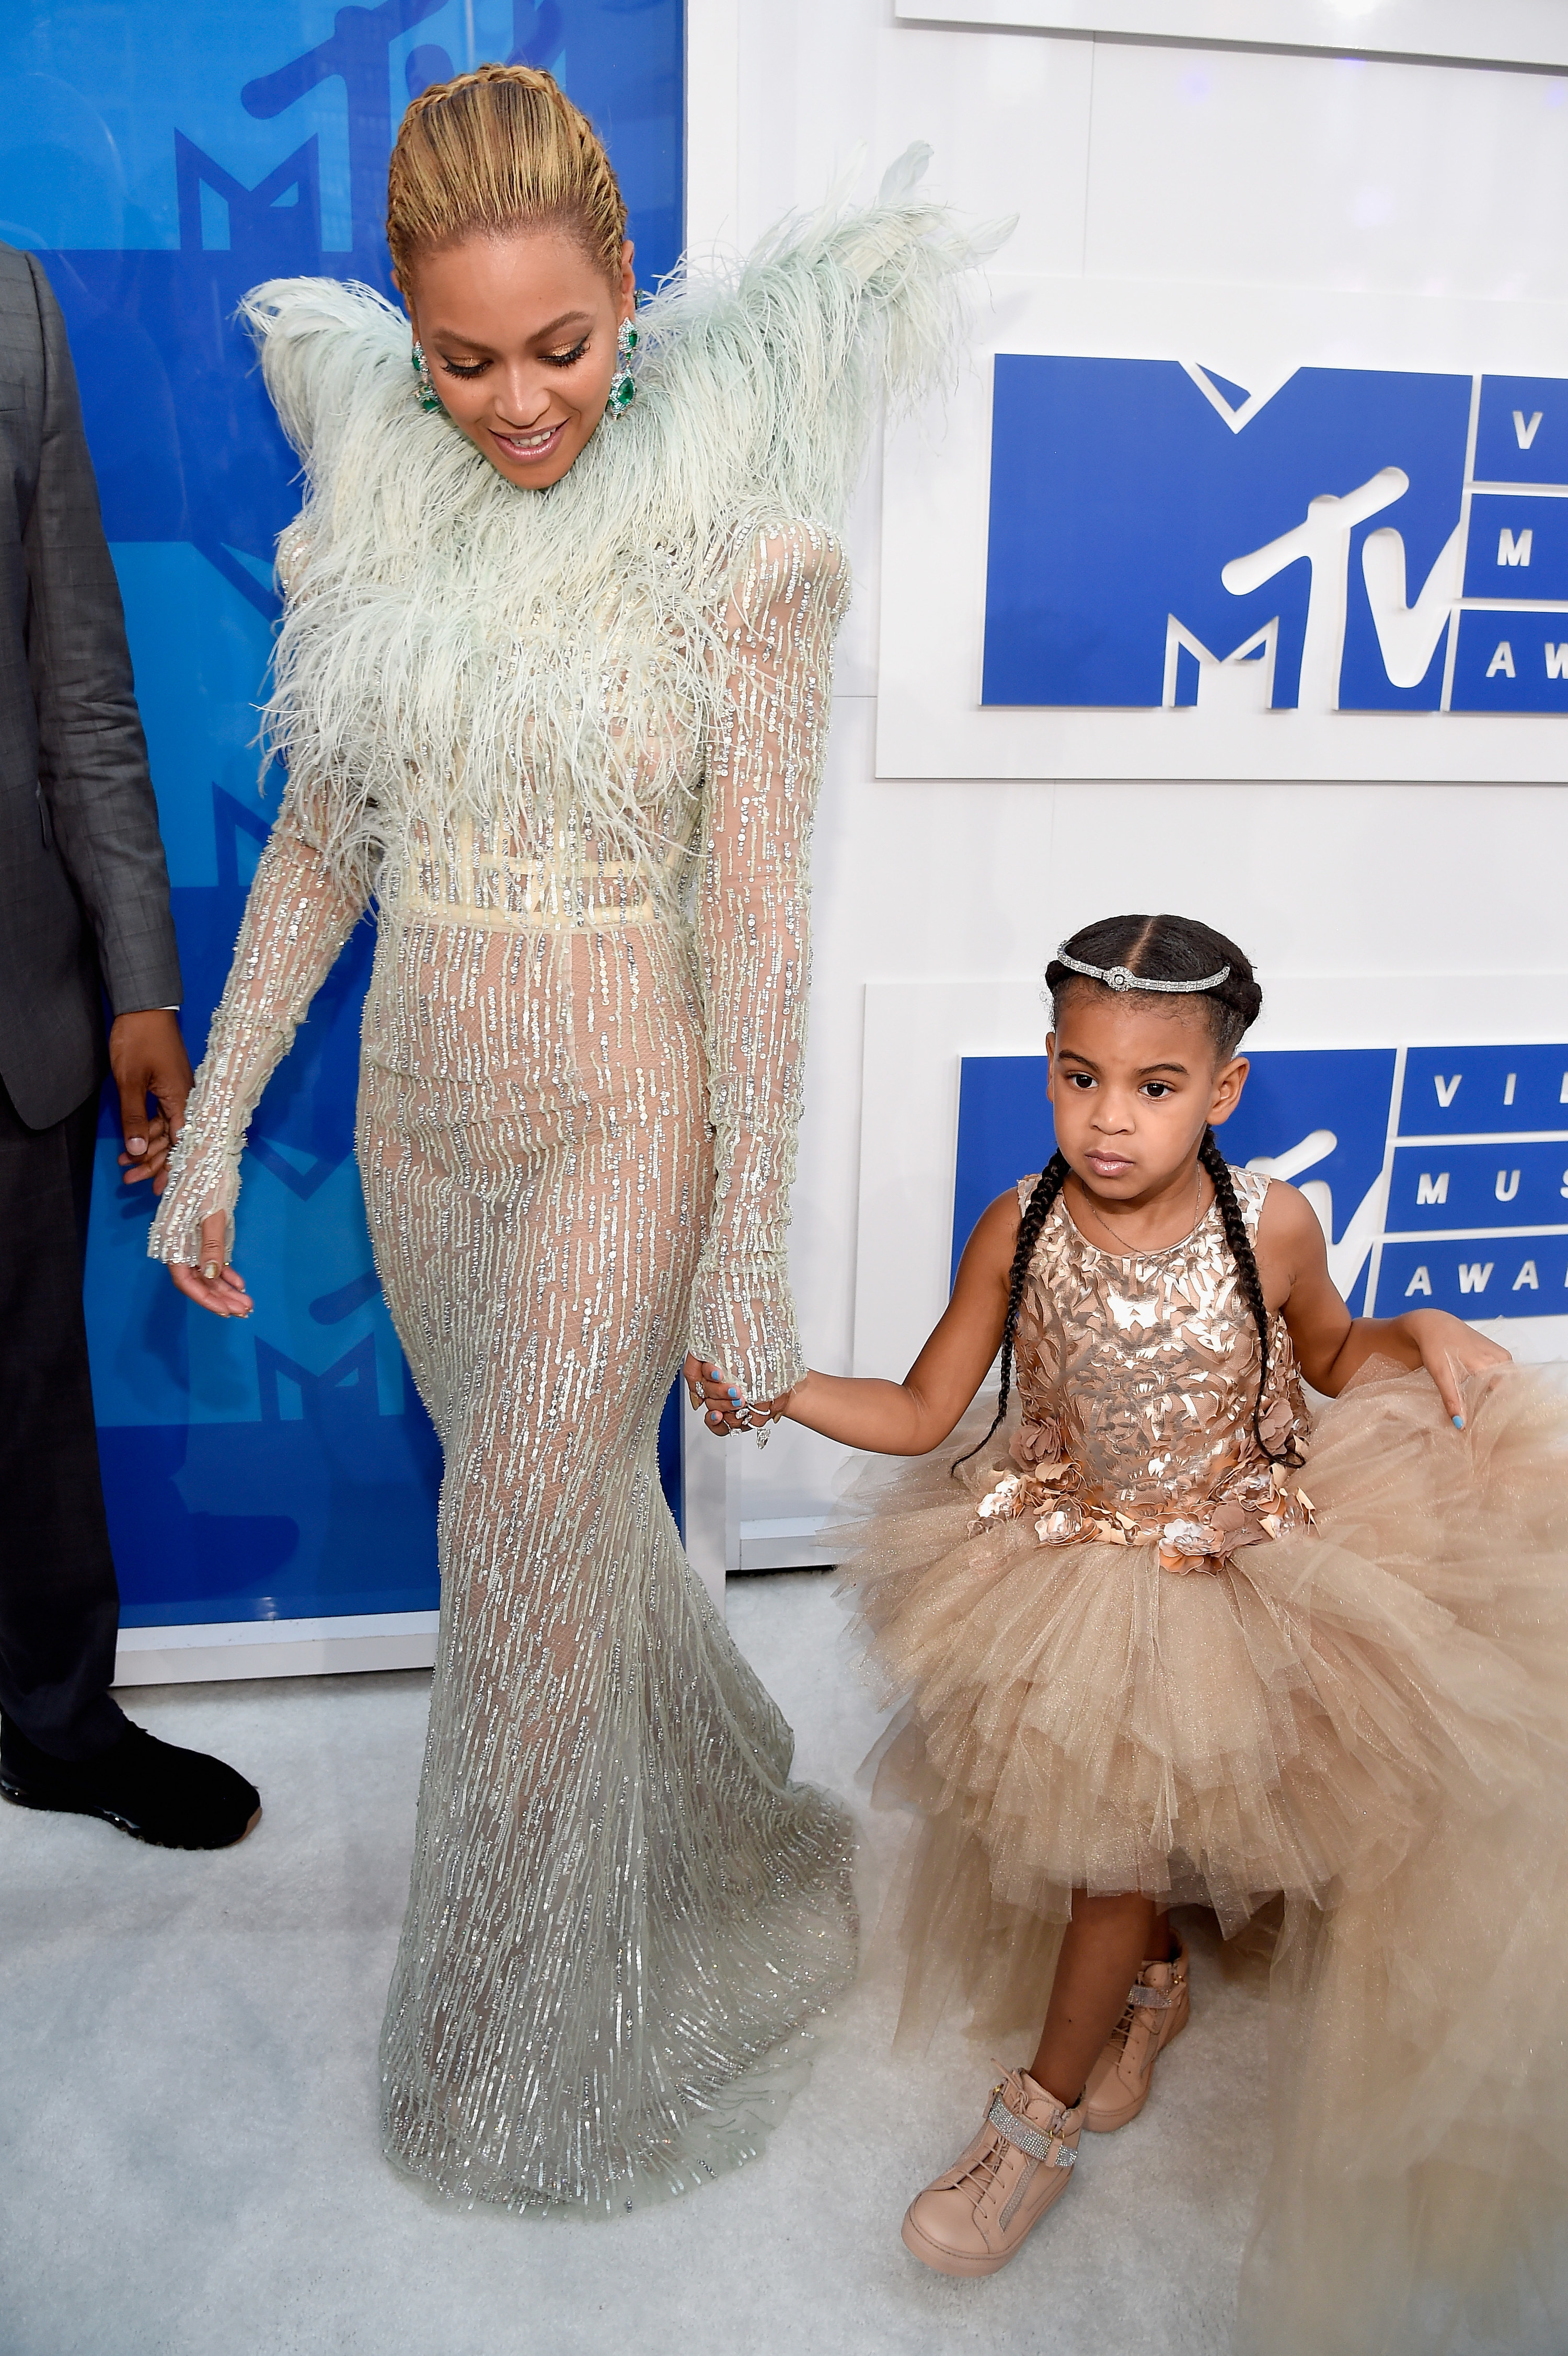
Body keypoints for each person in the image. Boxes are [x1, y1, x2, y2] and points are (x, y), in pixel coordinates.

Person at [149, 66, 985, 2211]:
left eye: (563, 343)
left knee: (514, 1557)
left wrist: (742, 1262)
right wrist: (224, 1120)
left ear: (631, 295)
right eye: (461, 358)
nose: (517, 400)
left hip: (632, 1107)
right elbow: (326, 851)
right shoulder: (365, 527)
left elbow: (761, 927)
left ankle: (520, 2069)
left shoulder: (746, 558)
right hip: (422, 1116)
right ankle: (710, 1836)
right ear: (408, 344)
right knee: (569, 1546)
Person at [694, 912, 1568, 2350]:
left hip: (1237, 1559)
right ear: (1048, 1068)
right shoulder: (1020, 1224)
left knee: (1118, 1851)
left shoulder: (1267, 1220)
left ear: (1221, 1092)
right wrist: (780, 1388)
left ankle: (1031, 2123)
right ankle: (1152, 1978)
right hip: (1078, 1560)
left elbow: (1337, 1357)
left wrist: (1423, 1326)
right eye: (1080, 1077)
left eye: (1155, 1088)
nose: (1110, 1118)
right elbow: (922, 1412)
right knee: (1117, 1831)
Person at [0, 245, 259, 1851]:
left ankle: (52, 1720)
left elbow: (80, 684)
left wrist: (139, 981)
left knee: (28, 1383)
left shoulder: (14, 311)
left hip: (11, 987)